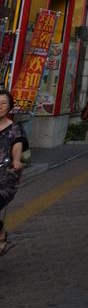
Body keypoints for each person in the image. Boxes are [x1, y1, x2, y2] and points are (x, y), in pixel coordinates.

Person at [0, 88, 26, 257]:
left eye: (3, 103)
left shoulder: (15, 128)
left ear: (9, 107)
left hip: (5, 175)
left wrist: (16, 160)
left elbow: (17, 145)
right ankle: (1, 231)